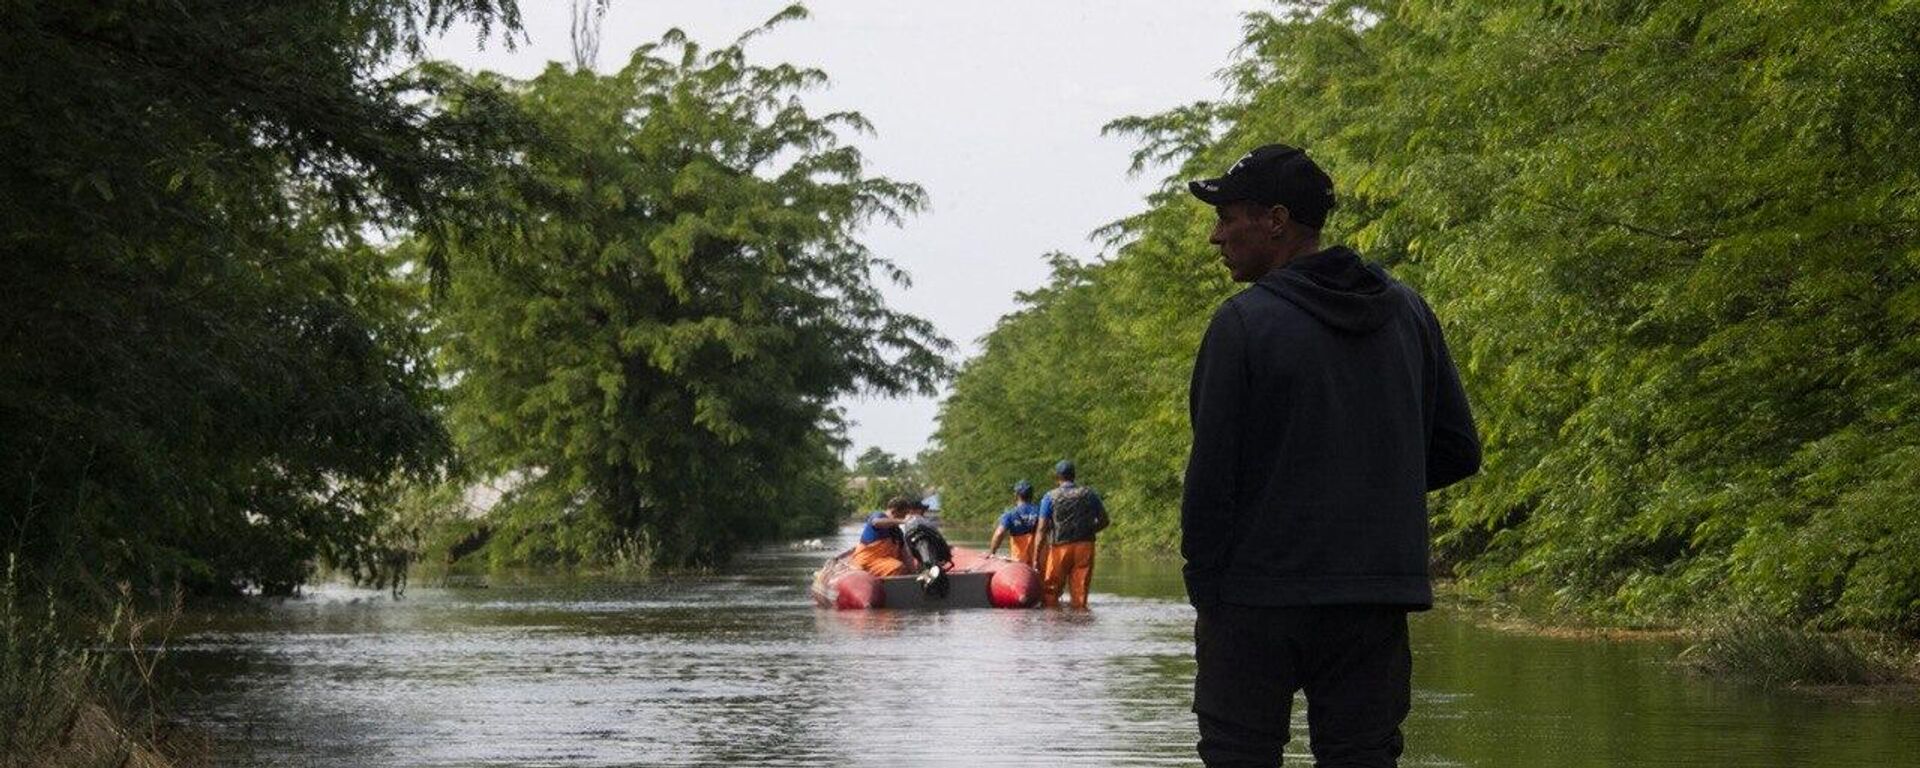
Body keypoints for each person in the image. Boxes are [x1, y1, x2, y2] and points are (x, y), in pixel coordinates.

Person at [1181, 143, 1482, 767]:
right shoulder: (1409, 312)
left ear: (1275, 220)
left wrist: (1207, 593)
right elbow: (1457, 450)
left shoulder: (1241, 324)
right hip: (1372, 596)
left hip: (1254, 597)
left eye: (1228, 216)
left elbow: (1211, 483)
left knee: (1239, 754)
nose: (1217, 236)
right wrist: (1368, 484)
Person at [1034, 460, 1109, 609]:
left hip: (1059, 547)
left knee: (1051, 589)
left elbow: (1042, 528)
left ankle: (1053, 622)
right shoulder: (1089, 494)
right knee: (1080, 590)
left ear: (1057, 478)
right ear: (1074, 476)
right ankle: (1080, 619)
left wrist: (1036, 557)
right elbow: (1104, 520)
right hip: (1085, 546)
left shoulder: (1050, 497)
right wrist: (1088, 531)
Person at [850, 497, 914, 577]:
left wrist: (914, 573)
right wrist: (903, 521)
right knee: (898, 567)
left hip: (884, 562)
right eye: (904, 514)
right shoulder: (878, 516)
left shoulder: (898, 532)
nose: (905, 517)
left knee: (911, 564)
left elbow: (906, 554)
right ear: (894, 511)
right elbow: (876, 522)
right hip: (867, 562)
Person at [986, 480, 1042, 565]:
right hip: (1038, 562)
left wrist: (992, 553)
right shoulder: (1040, 512)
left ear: (1016, 495)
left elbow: (999, 533)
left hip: (1019, 562)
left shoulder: (1010, 514)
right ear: (1031, 495)